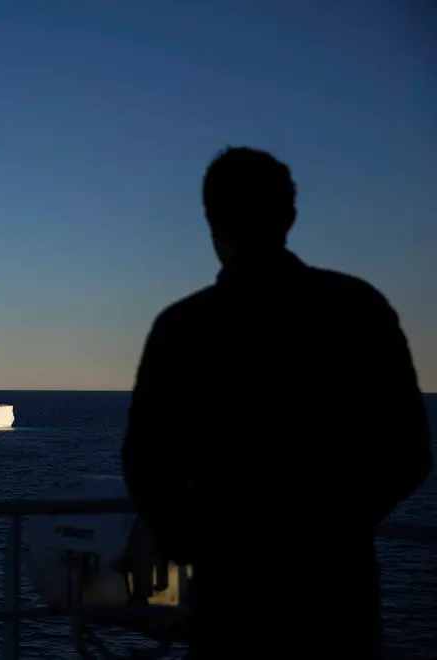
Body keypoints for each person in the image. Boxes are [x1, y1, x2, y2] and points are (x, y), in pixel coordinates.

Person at [120, 147, 432, 658]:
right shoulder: (359, 309)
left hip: (229, 606)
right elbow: (411, 454)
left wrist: (199, 544)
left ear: (211, 222)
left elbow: (146, 466)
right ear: (290, 215)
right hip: (338, 602)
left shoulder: (183, 326)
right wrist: (336, 525)